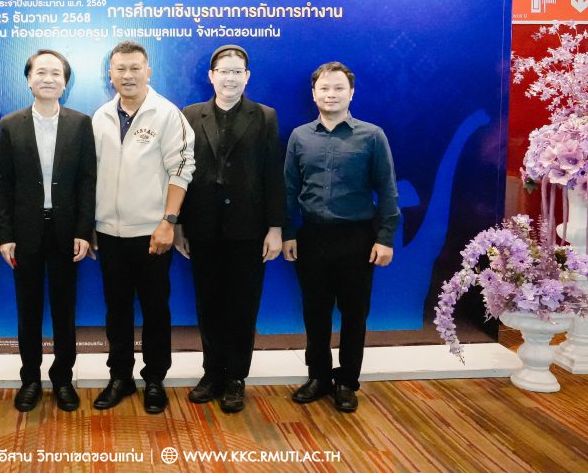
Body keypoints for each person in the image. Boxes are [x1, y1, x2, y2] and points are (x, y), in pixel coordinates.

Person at [282, 61, 399, 414]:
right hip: (312, 238)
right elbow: (288, 190)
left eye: (338, 88)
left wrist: (385, 237)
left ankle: (347, 381)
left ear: (351, 93)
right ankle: (318, 377)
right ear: (313, 94)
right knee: (315, 313)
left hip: (358, 239)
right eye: (324, 88)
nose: (330, 94)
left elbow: (387, 190)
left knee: (354, 314)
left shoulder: (372, 136)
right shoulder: (300, 136)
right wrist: (288, 233)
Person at [178, 45, 285, 414]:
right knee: (208, 303)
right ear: (211, 76)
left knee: (243, 305)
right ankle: (212, 374)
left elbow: (273, 174)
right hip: (202, 227)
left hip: (248, 229)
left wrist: (275, 228)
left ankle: (236, 378)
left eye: (237, 71)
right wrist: (179, 224)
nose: (230, 78)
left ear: (247, 76)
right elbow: (179, 172)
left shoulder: (264, 116)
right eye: (224, 71)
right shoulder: (190, 115)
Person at [91, 40, 195, 414]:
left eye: (135, 68)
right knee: (116, 310)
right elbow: (92, 174)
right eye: (120, 68)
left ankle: (154, 380)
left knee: (155, 309)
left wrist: (168, 222)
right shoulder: (101, 116)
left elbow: (182, 169)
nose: (128, 75)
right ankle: (120, 377)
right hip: (109, 233)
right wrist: (92, 224)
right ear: (110, 74)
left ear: (148, 71)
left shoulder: (167, 114)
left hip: (152, 233)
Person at [0, 49, 97, 412]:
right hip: (25, 233)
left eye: (56, 73)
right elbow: (3, 183)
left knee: (64, 310)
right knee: (28, 311)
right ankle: (30, 380)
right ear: (29, 79)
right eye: (41, 72)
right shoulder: (11, 124)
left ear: (65, 82)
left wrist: (84, 230)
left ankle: (63, 379)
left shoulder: (80, 124)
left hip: (67, 233)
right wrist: (6, 235)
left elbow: (87, 181)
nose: (48, 78)